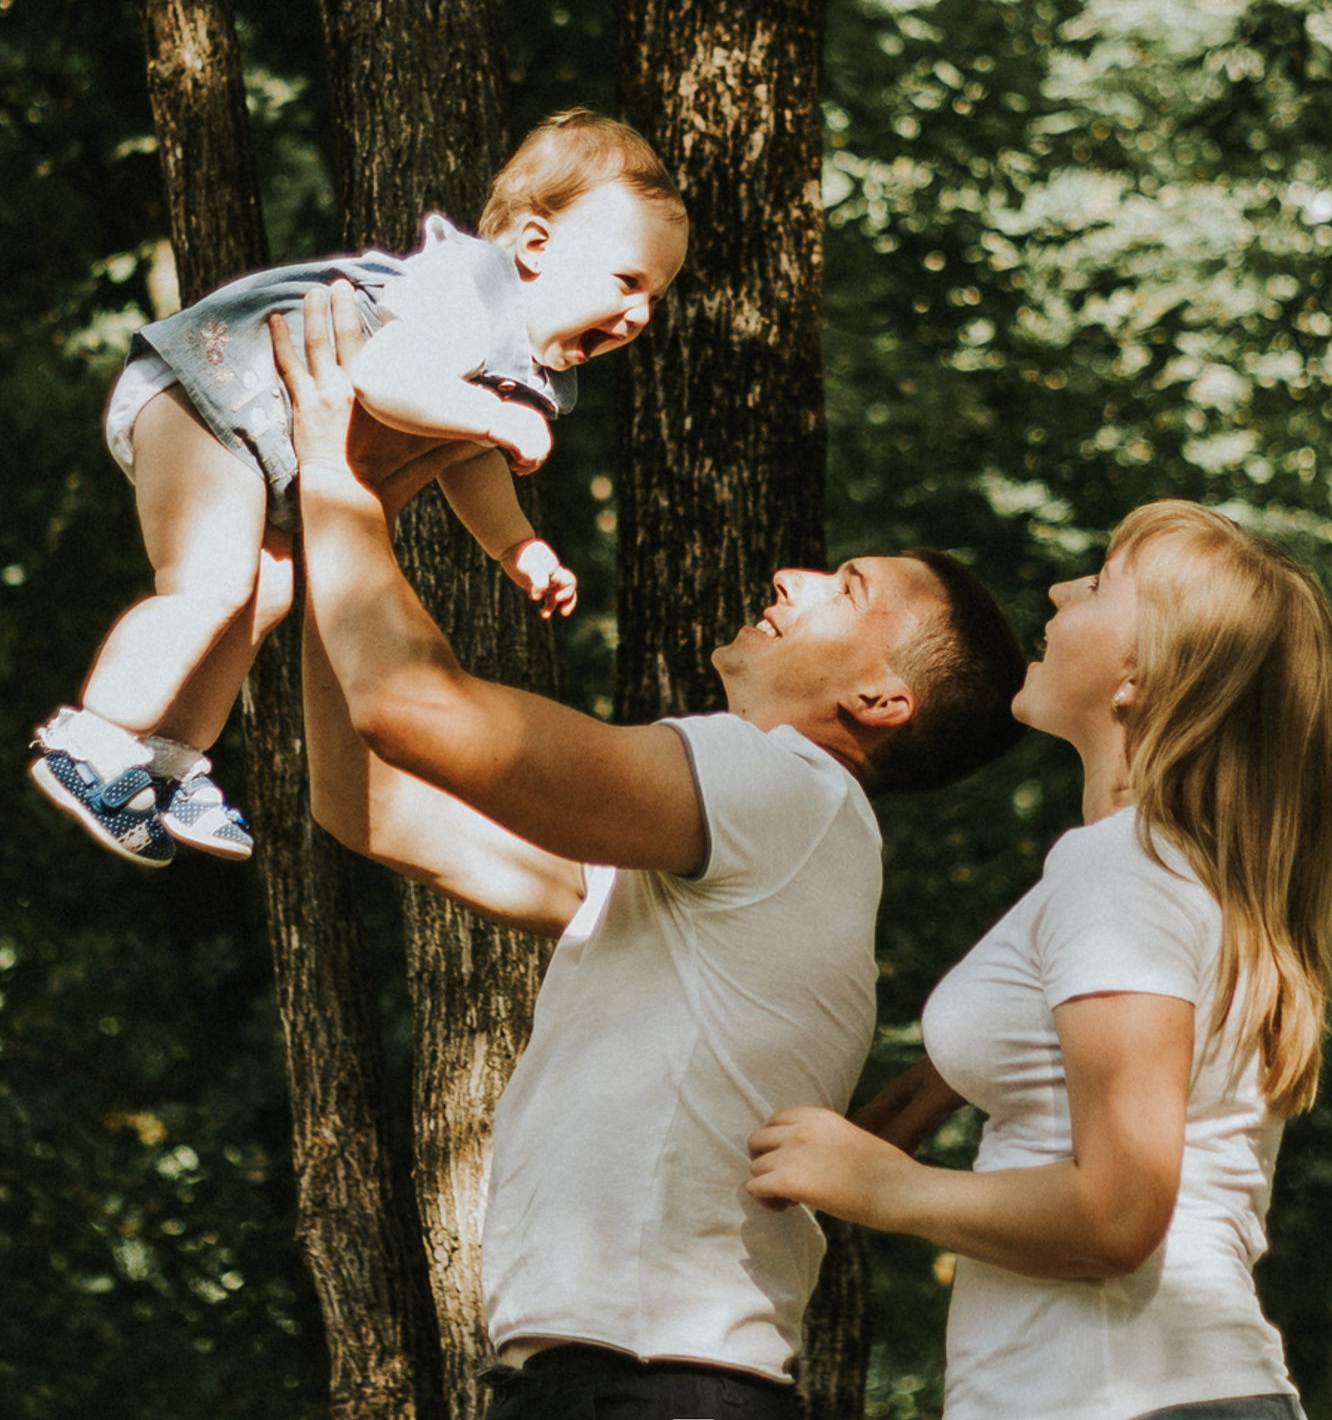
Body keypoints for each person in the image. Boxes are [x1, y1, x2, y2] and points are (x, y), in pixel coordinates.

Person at [272, 279, 1029, 1414]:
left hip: (658, 1389)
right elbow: (365, 804)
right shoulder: (734, 864)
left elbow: (410, 709)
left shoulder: (786, 788)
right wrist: (336, 525)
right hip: (602, 1379)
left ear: (878, 698)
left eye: (848, 588)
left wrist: (334, 475)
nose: (794, 576)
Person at [745, 502, 1332, 1420]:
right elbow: (960, 1083)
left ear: (1139, 679)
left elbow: (1117, 1215)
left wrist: (886, 1189)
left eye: (1101, 581)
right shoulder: (1156, 870)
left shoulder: (1123, 873)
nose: (1061, 588)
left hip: (1132, 1398)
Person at [30, 109, 688, 870]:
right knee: (206, 587)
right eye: (628, 281)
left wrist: (518, 545)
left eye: (655, 297)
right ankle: (91, 739)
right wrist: (494, 415)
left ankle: (166, 761)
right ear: (535, 247)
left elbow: (462, 456)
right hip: (209, 389)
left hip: (257, 434)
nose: (640, 313)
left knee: (267, 592)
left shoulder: (525, 372)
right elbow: (383, 378)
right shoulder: (466, 291)